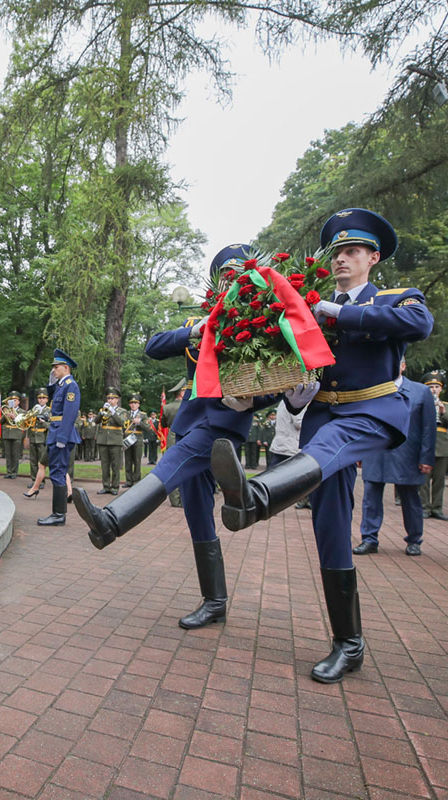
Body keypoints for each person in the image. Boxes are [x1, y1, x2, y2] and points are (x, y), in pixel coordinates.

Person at [211, 210, 434, 683]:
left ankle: (256, 497)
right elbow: (292, 368)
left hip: (371, 412)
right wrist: (261, 395)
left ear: (373, 258)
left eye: (353, 251)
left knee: (331, 445)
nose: (342, 260)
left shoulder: (394, 298)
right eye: (337, 252)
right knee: (329, 527)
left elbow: (419, 324)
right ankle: (348, 643)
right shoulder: (306, 307)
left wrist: (338, 313)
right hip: (322, 416)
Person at [72, 244, 284, 629]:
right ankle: (215, 601)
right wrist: (197, 329)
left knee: (170, 465)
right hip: (189, 422)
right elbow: (153, 347)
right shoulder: (204, 323)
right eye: (225, 275)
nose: (231, 280)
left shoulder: (263, 320)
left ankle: (112, 521)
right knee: (197, 515)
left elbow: (276, 381)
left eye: (238, 273)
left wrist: (251, 401)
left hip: (221, 425)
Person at [354, 360, 436, 556]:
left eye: (395, 362)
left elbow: (428, 427)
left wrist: (426, 457)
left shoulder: (420, 391)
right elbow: (362, 420)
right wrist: (359, 450)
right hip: (375, 452)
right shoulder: (370, 388)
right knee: (370, 498)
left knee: (410, 499)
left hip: (408, 453)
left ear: (404, 366)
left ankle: (414, 540)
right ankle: (369, 539)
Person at [38, 349, 81, 525]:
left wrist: (62, 438)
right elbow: (55, 401)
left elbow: (70, 414)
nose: (54, 370)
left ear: (65, 367)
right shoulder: (63, 385)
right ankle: (58, 513)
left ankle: (58, 515)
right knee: (57, 471)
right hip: (56, 432)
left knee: (58, 472)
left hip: (61, 434)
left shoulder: (71, 385)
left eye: (56, 367)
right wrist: (51, 382)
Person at [419, 371, 448, 520]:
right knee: (424, 480)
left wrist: (443, 412)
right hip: (425, 444)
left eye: (436, 387)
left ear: (441, 389)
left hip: (442, 445)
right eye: (430, 386)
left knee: (439, 480)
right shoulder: (421, 404)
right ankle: (424, 507)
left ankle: (437, 508)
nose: (433, 389)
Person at [161, 379, 187, 508]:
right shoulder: (189, 405)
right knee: (186, 468)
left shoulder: (167, 407)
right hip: (187, 437)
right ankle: (184, 499)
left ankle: (174, 500)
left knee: (172, 469)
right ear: (182, 392)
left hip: (172, 437)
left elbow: (163, 424)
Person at [96, 390, 125, 494]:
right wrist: (101, 413)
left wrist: (113, 412)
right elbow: (96, 421)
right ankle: (106, 486)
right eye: (108, 398)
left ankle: (115, 487)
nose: (110, 400)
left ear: (117, 400)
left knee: (115, 465)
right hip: (103, 440)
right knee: (104, 465)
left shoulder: (122, 411)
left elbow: (122, 423)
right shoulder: (104, 409)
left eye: (112, 398)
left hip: (115, 440)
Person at [268, 400, 305, 468]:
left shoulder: (285, 401)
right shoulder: (297, 401)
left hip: (282, 443)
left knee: (274, 472)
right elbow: (299, 423)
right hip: (290, 445)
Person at [26, 388, 51, 488]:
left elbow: (51, 425)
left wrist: (43, 422)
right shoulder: (33, 409)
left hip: (42, 438)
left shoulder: (49, 410)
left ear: (47, 399)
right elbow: (28, 423)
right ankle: (33, 480)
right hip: (33, 437)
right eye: (39, 398)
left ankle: (42, 481)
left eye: (43, 398)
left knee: (41, 461)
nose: (41, 400)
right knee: (33, 461)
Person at [0, 391, 25, 479]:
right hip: (7, 433)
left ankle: (14, 472)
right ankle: (9, 471)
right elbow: (0, 422)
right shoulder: (6, 410)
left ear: (18, 402)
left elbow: (23, 423)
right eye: (11, 400)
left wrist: (15, 417)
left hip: (16, 434)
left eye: (15, 400)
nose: (13, 402)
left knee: (15, 454)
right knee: (8, 454)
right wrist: (5, 415)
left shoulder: (22, 411)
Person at [122, 394, 145, 487]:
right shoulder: (125, 414)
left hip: (138, 439)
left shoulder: (143, 415)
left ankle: (136, 481)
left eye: (135, 403)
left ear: (139, 404)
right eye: (131, 403)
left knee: (137, 461)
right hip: (127, 439)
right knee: (127, 460)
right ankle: (128, 480)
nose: (133, 405)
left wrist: (139, 422)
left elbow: (148, 427)